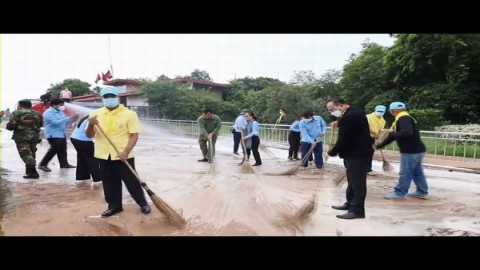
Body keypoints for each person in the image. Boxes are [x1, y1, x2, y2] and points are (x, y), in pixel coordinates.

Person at [86, 86, 151, 217]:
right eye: (106, 96)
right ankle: (114, 206)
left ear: (117, 97)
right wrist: (91, 124)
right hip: (103, 154)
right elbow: (89, 135)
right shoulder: (95, 114)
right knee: (109, 182)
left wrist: (126, 151)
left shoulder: (130, 114)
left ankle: (143, 203)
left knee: (132, 180)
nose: (109, 99)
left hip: (123, 155)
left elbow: (134, 135)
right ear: (102, 98)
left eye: (111, 96)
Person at [326, 98, 374, 219]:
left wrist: (332, 152)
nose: (332, 112)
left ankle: (357, 211)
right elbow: (351, 128)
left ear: (340, 106)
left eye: (332, 109)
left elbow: (344, 138)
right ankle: (350, 204)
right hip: (352, 153)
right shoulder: (352, 113)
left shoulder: (351, 116)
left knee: (358, 183)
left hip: (358, 154)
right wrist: (339, 123)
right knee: (351, 181)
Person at [375, 102, 428, 200]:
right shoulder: (404, 118)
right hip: (417, 150)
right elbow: (393, 136)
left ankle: (400, 193)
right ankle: (422, 191)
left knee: (406, 172)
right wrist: (378, 146)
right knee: (417, 172)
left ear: (393, 111)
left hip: (411, 151)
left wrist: (392, 135)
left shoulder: (403, 119)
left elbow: (406, 132)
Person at [5, 99, 43, 179]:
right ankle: (29, 171)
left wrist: (8, 127)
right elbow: (41, 124)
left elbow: (12, 125)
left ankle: (33, 172)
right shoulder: (38, 113)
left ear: (20, 105)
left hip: (22, 136)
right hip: (34, 136)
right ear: (30, 105)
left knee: (25, 153)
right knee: (31, 153)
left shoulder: (17, 112)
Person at [38, 98, 78, 172]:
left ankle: (64, 164)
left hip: (61, 134)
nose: (62, 106)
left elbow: (66, 121)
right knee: (53, 149)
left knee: (62, 149)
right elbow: (55, 122)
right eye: (61, 105)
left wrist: (74, 118)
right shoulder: (48, 113)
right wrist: (69, 118)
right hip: (53, 134)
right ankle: (43, 164)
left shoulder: (60, 112)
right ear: (54, 105)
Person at [70, 115, 101, 182]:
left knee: (82, 158)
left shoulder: (87, 117)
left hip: (75, 138)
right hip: (83, 140)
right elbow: (89, 133)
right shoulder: (92, 119)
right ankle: (97, 178)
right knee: (92, 158)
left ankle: (82, 176)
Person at [366, 105, 387, 172]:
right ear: (375, 110)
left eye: (382, 111)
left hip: (372, 138)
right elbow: (363, 127)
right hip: (362, 137)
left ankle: (367, 168)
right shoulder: (368, 117)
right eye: (379, 111)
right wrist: (374, 133)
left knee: (370, 153)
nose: (380, 112)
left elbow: (379, 130)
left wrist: (379, 138)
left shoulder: (383, 121)